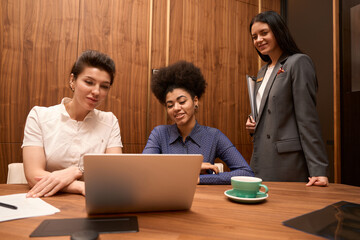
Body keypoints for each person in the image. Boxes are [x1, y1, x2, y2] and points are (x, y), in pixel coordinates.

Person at [22, 50, 123, 197]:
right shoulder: (39, 116)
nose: (96, 91)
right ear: (72, 80)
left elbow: (114, 175)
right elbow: (34, 175)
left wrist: (77, 171)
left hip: (94, 202)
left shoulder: (110, 121)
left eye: (104, 86)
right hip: (49, 200)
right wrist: (80, 186)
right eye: (89, 82)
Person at [245, 11, 329, 186]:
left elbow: (307, 119)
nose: (258, 40)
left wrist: (318, 170)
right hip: (261, 157)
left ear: (278, 31)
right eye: (254, 36)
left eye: (264, 33)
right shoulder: (262, 71)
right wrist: (253, 124)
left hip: (287, 162)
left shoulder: (298, 62)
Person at [143, 61, 254, 184]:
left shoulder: (213, 136)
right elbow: (144, 170)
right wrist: (190, 169)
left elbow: (245, 172)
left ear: (195, 101)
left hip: (203, 200)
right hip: (167, 199)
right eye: (170, 105)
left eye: (182, 102)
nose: (176, 108)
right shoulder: (159, 134)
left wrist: (201, 179)